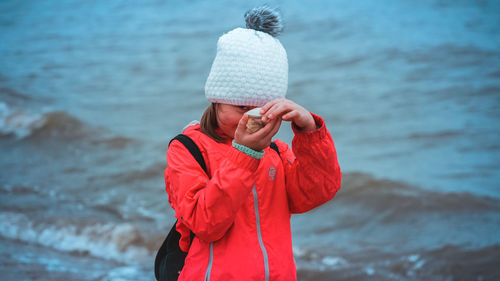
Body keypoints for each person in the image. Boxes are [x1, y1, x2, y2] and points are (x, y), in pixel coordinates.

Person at [164, 6, 342, 281]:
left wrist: (309, 131)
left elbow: (317, 192)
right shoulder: (187, 148)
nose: (250, 118)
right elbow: (205, 224)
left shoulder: (276, 152)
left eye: (261, 110)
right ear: (216, 101)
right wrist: (244, 154)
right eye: (241, 107)